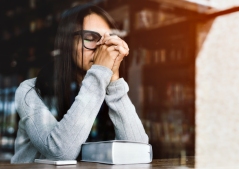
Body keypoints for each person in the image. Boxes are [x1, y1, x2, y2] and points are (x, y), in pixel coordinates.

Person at [11, 3, 148, 163]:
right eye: (90, 38)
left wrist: (114, 82)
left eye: (108, 40)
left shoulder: (103, 89)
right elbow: (60, 152)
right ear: (68, 44)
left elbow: (139, 151)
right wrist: (100, 72)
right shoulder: (29, 91)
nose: (102, 49)